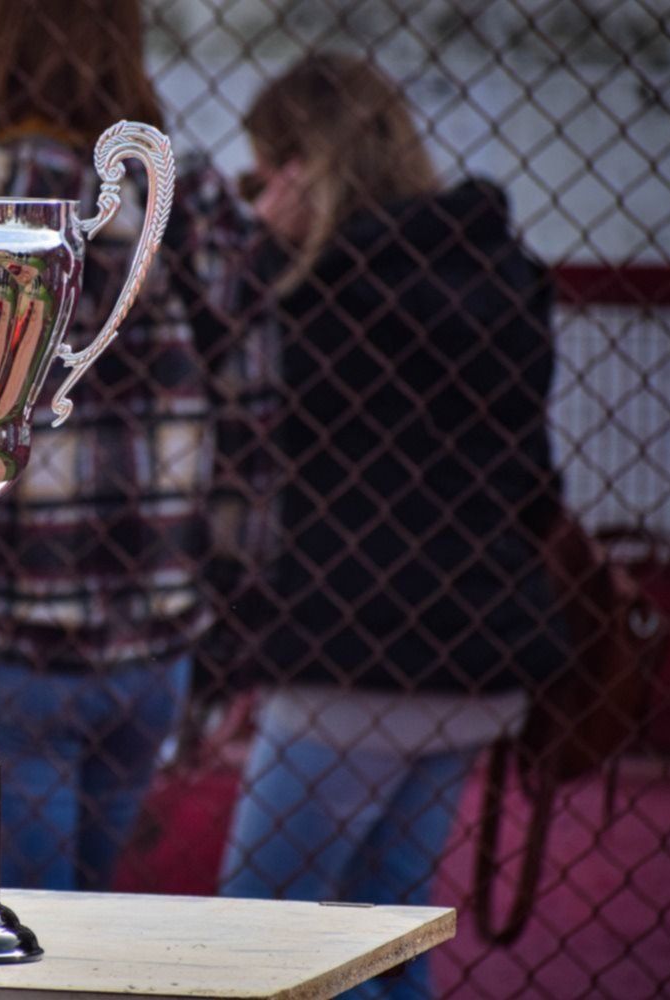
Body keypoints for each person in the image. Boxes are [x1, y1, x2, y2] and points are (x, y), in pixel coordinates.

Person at [182, 54, 568, 999]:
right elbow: (532, 475)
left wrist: (260, 256)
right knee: (386, 928)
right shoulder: (502, 270)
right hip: (481, 649)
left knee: (259, 936)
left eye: (269, 169)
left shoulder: (316, 295)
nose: (259, 192)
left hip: (350, 654)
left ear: (309, 166)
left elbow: (242, 419)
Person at [0, 0, 205, 892]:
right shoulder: (182, 199)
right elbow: (253, 395)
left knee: (20, 917)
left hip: (13, 623)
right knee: (95, 912)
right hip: (156, 629)